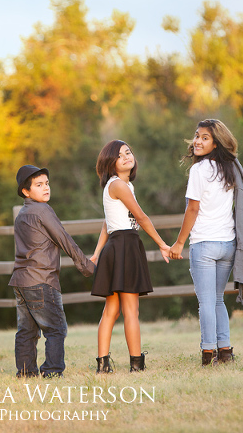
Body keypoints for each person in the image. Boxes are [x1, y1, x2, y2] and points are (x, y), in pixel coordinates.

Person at [169, 119, 243, 366]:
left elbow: (192, 209)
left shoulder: (199, 171)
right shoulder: (230, 168)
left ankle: (208, 353)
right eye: (197, 136)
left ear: (216, 142)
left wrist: (179, 243)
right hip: (227, 244)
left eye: (205, 138)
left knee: (207, 302)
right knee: (218, 299)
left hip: (204, 244)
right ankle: (225, 352)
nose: (198, 141)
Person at [90, 141, 171, 373]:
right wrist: (162, 244)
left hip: (118, 245)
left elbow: (107, 223)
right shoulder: (118, 185)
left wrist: (96, 254)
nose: (126, 157)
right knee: (130, 310)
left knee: (112, 311)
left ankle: (103, 365)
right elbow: (142, 218)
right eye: (119, 155)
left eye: (128, 152)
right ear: (110, 163)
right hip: (124, 245)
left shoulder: (121, 186)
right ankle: (136, 364)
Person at [10, 164, 96, 378]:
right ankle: (52, 372)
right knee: (56, 328)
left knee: (27, 331)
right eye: (39, 185)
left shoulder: (22, 214)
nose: (46, 188)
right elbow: (64, 239)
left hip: (21, 281)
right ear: (26, 191)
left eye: (47, 183)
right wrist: (87, 266)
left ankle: (26, 373)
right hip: (41, 280)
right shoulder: (42, 210)